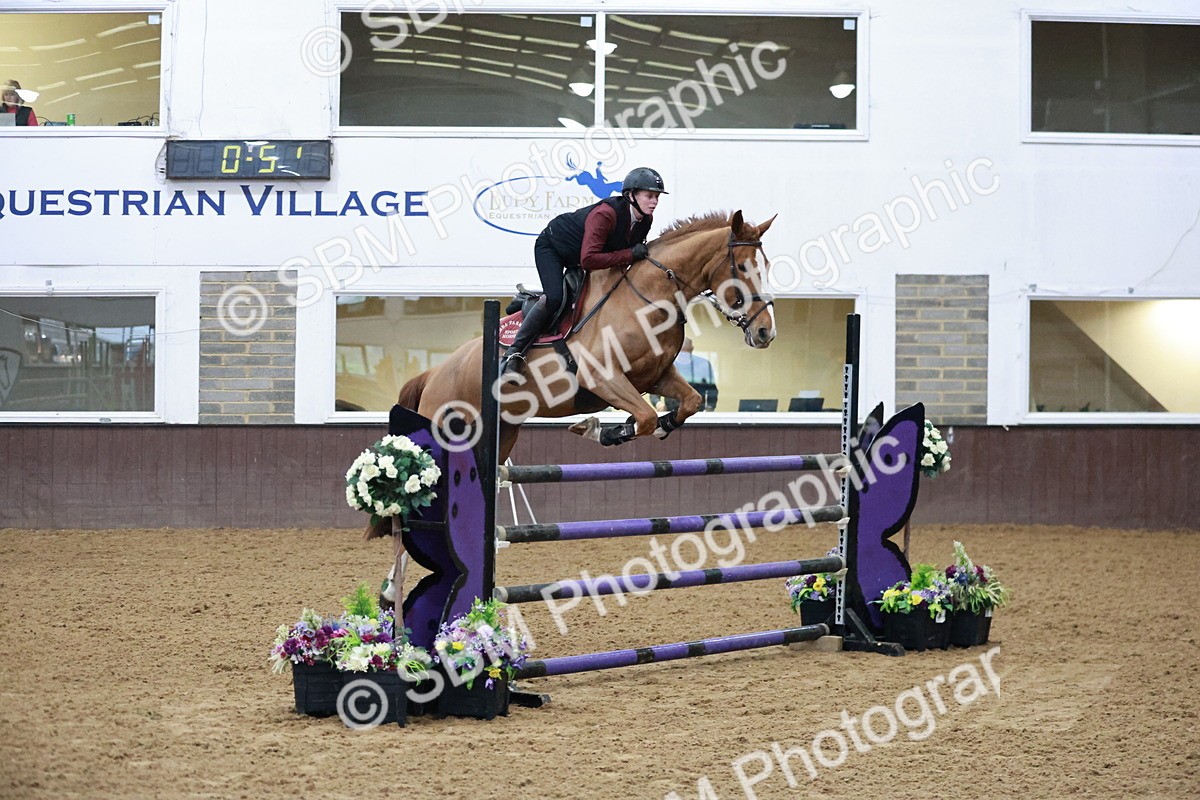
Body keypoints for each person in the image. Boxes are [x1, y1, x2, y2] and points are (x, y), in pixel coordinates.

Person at [499, 166, 667, 375]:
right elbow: (588, 260)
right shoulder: (605, 214)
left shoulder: (645, 220)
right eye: (649, 196)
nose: (654, 202)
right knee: (555, 298)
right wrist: (630, 254)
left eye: (657, 197)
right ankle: (514, 353)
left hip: (581, 254)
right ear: (630, 195)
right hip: (553, 247)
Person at [666, 338, 718, 412]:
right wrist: (658, 404)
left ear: (691, 349)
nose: (683, 356)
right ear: (677, 350)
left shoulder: (703, 365)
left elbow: (712, 390)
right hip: (672, 410)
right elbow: (657, 386)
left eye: (686, 352)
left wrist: (710, 407)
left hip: (697, 412)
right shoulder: (669, 365)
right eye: (681, 353)